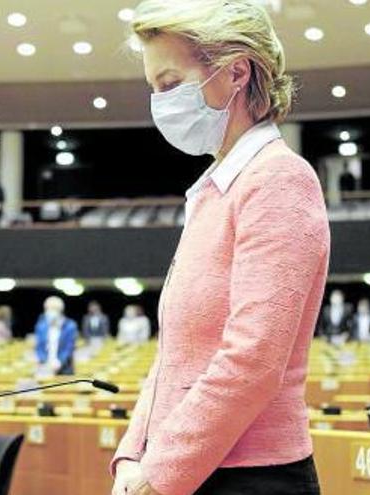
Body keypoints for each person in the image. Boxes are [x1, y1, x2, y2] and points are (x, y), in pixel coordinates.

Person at [111, 2, 330, 494]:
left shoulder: (279, 180)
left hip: (250, 479)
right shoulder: (213, 189)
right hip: (190, 470)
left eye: (170, 84)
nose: (160, 102)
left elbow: (253, 359)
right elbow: (175, 357)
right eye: (154, 89)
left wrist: (160, 473)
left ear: (236, 72)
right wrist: (133, 456)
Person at [34, 296, 78, 375]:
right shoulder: (41, 325)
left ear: (60, 310)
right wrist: (44, 361)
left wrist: (60, 362)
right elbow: (39, 346)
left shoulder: (70, 325)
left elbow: (69, 347)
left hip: (64, 367)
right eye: (47, 309)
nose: (49, 312)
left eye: (53, 309)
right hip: (45, 366)